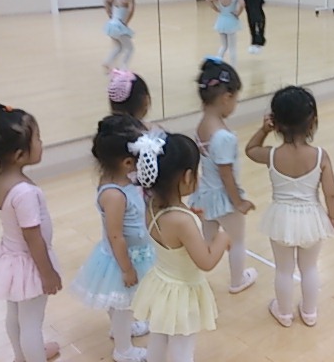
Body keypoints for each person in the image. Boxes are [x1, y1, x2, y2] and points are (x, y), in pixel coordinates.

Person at [0, 104, 62, 362]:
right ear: (19, 155)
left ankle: (21, 357)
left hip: (11, 258)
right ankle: (33, 355)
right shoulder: (25, 192)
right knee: (31, 323)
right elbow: (33, 237)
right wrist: (48, 273)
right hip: (30, 264)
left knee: (15, 315)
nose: (42, 143)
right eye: (38, 138)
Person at [131, 131, 229, 362]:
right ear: (187, 176)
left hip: (162, 284)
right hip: (181, 292)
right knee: (182, 348)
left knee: (159, 335)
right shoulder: (182, 221)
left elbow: (174, 239)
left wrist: (193, 221)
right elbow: (206, 262)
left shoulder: (151, 204)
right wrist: (223, 238)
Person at [245, 86, 334, 327]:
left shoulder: (272, 155)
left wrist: (263, 130)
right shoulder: (320, 156)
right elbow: (331, 193)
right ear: (313, 122)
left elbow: (250, 150)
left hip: (281, 218)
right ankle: (309, 312)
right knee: (309, 268)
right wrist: (332, 216)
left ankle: (284, 313)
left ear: (276, 123)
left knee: (283, 270)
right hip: (311, 218)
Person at [70, 115, 155, 362]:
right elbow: (115, 234)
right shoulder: (114, 194)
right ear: (127, 162)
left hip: (132, 254)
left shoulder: (121, 181)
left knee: (120, 301)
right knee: (123, 304)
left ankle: (122, 330)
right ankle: (123, 349)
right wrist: (127, 269)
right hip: (124, 258)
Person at [188, 57, 258, 294]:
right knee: (237, 241)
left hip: (205, 195)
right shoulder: (223, 136)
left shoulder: (202, 125)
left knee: (207, 240)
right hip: (225, 199)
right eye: (236, 99)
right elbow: (226, 175)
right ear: (226, 97)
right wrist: (239, 202)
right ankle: (238, 281)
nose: (235, 104)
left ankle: (194, 279)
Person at [206, 0, 245, 66]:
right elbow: (242, 4)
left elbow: (208, 0)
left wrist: (217, 9)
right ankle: (233, 67)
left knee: (223, 46)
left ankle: (216, 64)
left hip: (221, 21)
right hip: (231, 23)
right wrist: (238, 13)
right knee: (232, 48)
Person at [103, 0, 138, 71]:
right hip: (119, 27)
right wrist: (125, 22)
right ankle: (124, 67)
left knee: (118, 47)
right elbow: (130, 11)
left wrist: (109, 13)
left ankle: (107, 62)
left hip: (111, 25)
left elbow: (106, 1)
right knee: (130, 48)